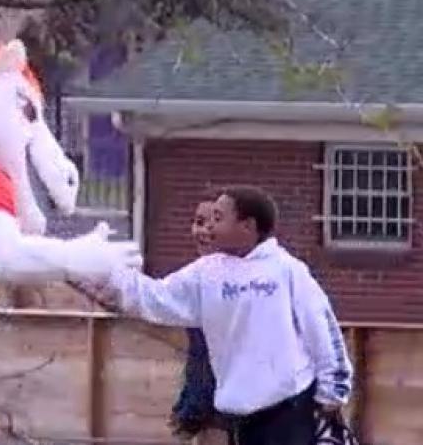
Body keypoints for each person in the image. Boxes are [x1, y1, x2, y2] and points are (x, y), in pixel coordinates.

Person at [79, 185, 353, 445]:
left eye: (219, 218)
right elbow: (155, 297)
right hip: (241, 416)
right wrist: (99, 269)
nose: (209, 227)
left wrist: (333, 391)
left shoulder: (287, 271)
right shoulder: (206, 272)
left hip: (290, 407)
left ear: (247, 226)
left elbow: (321, 328)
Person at [170, 199, 230, 444]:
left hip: (227, 416)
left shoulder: (229, 284)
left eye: (215, 222)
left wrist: (191, 413)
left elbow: (213, 363)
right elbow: (198, 357)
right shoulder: (200, 279)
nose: (204, 230)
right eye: (199, 222)